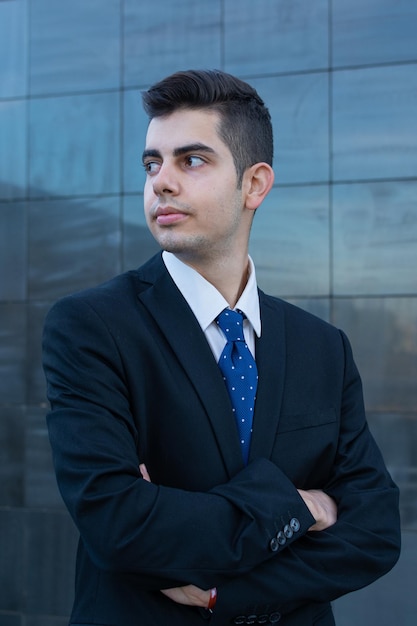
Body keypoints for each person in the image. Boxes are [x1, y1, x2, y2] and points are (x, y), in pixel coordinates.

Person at [43, 69, 400, 626]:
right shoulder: (91, 327)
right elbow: (119, 523)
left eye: (191, 160)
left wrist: (222, 594)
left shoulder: (322, 347)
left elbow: (375, 532)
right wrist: (298, 506)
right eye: (151, 163)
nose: (161, 181)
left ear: (254, 184)